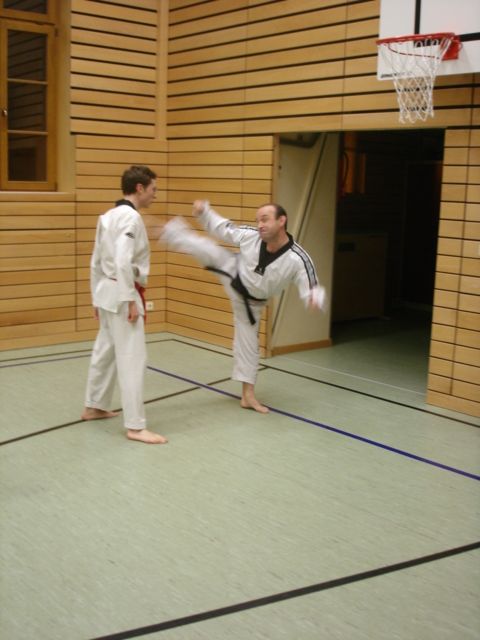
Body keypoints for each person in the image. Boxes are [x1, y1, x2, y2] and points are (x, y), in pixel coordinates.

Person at [162, 200, 326, 413]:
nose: (260, 225)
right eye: (258, 220)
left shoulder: (298, 258)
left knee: (249, 348)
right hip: (234, 272)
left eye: (265, 219)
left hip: (251, 304)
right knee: (209, 249)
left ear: (281, 221)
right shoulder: (251, 235)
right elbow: (224, 228)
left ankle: (247, 396)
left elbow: (311, 285)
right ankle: (172, 231)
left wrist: (313, 298)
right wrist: (205, 213)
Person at [81, 165, 168, 444]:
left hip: (107, 291)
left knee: (105, 351)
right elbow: (122, 260)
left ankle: (94, 405)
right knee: (132, 359)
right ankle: (135, 426)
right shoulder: (130, 218)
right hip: (122, 294)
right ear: (140, 188)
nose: (155, 194)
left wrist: (96, 297)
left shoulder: (107, 216)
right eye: (153, 189)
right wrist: (129, 298)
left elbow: (95, 260)